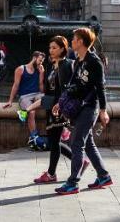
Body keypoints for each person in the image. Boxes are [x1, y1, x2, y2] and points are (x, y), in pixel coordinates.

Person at [53, 27, 112, 195]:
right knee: (88, 142)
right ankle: (103, 175)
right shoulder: (78, 59)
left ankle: (73, 183)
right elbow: (72, 83)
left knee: (76, 143)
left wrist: (103, 110)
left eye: (74, 39)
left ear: (80, 41)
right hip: (80, 105)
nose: (71, 41)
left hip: (90, 107)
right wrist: (61, 101)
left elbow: (101, 87)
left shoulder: (94, 61)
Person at [34, 36, 81, 185]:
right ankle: (78, 160)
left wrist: (61, 107)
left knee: (54, 142)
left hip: (60, 108)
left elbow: (67, 90)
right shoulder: (52, 65)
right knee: (54, 142)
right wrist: (41, 73)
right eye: (50, 48)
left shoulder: (66, 65)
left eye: (54, 48)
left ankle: (51, 173)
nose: (51, 50)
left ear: (62, 49)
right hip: (51, 107)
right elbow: (47, 90)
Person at [4, 51, 46, 145]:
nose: (41, 63)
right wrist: (10, 101)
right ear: (34, 58)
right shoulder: (20, 69)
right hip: (24, 97)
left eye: (42, 61)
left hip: (37, 94)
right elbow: (15, 86)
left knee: (47, 98)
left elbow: (41, 87)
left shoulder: (39, 69)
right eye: (40, 60)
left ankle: (24, 112)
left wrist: (41, 74)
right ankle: (34, 136)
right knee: (32, 112)